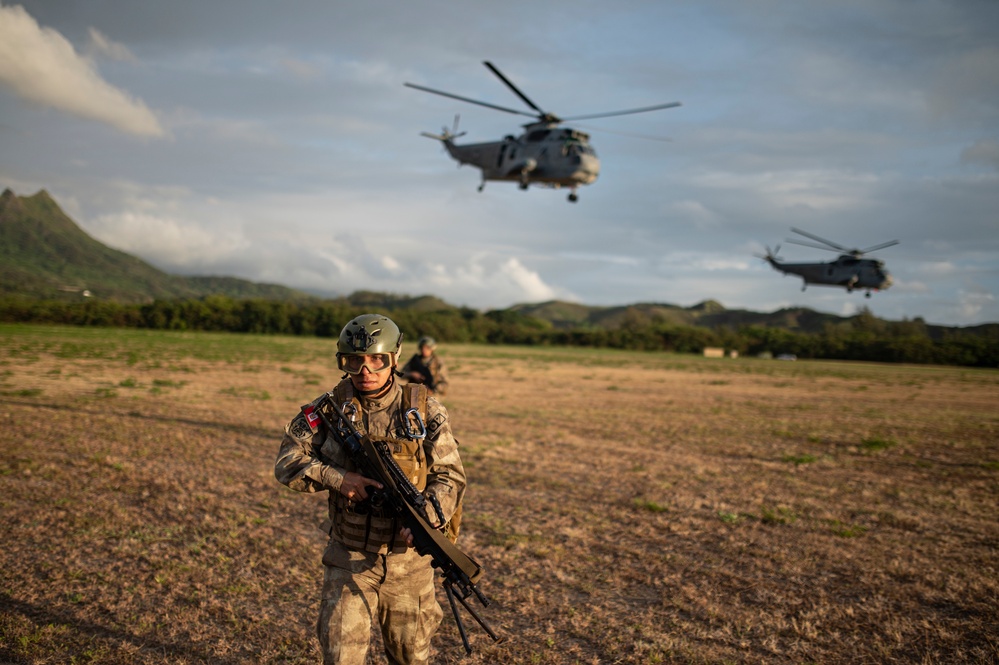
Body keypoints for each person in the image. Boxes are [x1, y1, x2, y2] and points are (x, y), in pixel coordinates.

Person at [274, 314, 466, 665]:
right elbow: (287, 463)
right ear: (343, 362)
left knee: (410, 659)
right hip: (348, 558)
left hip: (409, 564)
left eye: (376, 359)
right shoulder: (327, 410)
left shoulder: (424, 409)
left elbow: (450, 475)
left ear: (394, 358)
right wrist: (338, 478)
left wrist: (429, 513)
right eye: (355, 360)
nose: (366, 370)